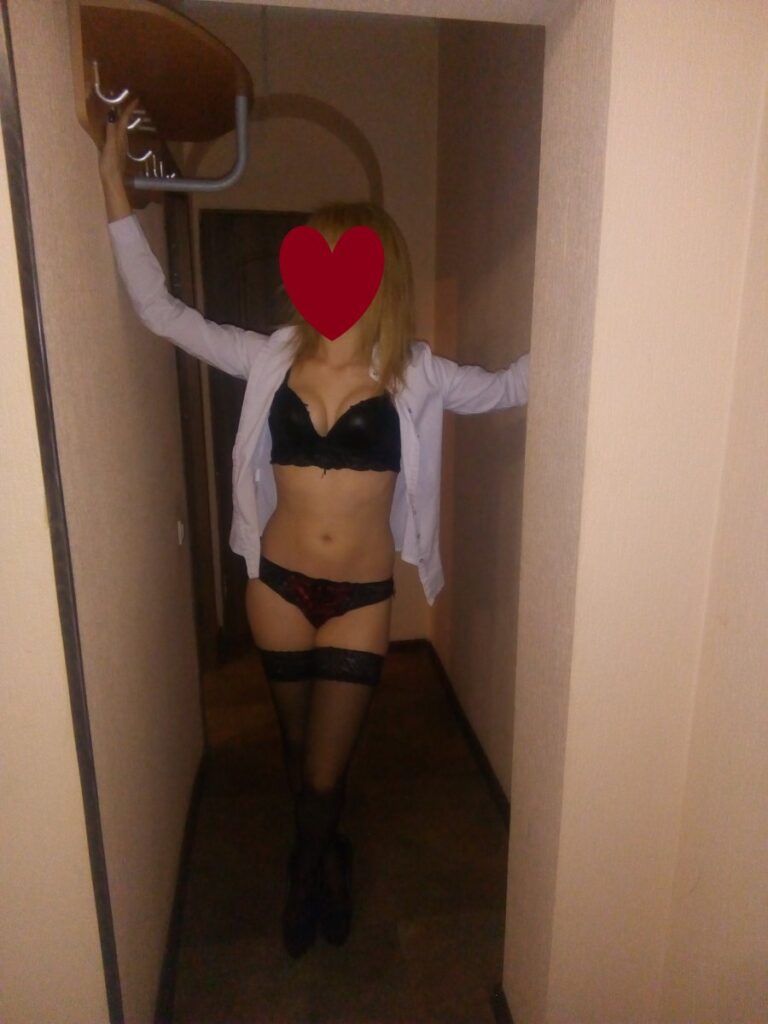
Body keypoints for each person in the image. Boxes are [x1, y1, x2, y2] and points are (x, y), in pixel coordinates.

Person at [99, 96, 530, 959]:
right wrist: (114, 183)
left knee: (328, 761)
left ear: (379, 276)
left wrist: (603, 309)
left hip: (362, 597)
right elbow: (163, 313)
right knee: (300, 750)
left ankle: (303, 874)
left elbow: (510, 387)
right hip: (278, 588)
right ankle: (328, 853)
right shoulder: (271, 356)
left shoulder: (417, 373)